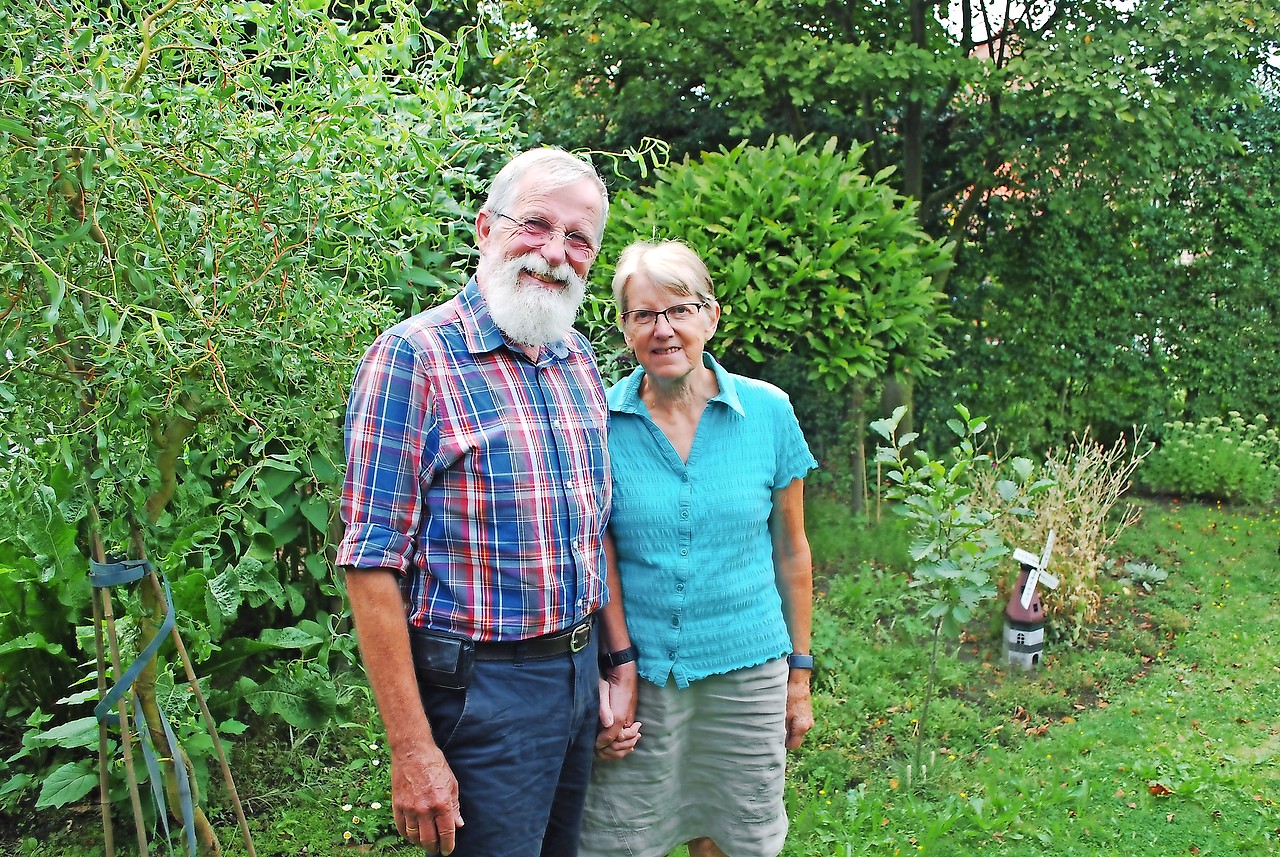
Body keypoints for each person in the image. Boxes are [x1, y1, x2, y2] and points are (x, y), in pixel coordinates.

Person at [336, 147, 638, 857]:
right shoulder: (414, 358)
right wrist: (412, 748)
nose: (555, 252)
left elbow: (593, 532)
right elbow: (370, 565)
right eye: (536, 224)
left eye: (579, 238)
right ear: (483, 228)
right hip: (482, 693)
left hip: (574, 672)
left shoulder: (578, 360)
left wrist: (612, 659)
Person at [580, 240, 818, 857]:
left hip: (748, 668)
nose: (664, 330)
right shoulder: (599, 423)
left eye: (680, 310)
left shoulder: (768, 411)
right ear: (625, 327)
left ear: (711, 317)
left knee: (732, 835)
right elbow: (595, 548)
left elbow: (792, 551)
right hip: (643, 677)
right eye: (644, 315)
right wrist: (616, 662)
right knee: (623, 838)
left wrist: (799, 675)